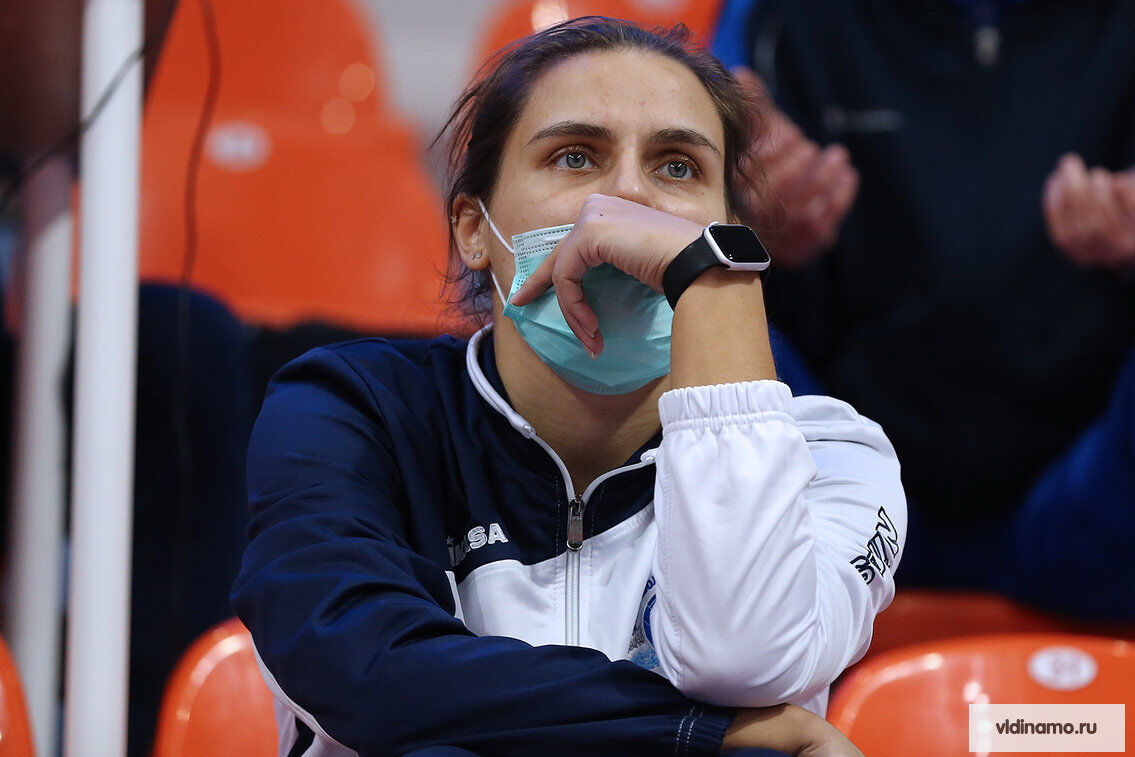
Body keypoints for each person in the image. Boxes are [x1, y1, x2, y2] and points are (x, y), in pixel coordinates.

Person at [232, 18, 906, 756]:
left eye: (678, 167)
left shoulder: (831, 456)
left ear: (729, 232)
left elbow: (741, 658)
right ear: (472, 229)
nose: (629, 196)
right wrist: (699, 732)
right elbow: (363, 670)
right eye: (575, 156)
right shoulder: (349, 411)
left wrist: (713, 288)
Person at [713, 0, 1135, 619]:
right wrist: (742, 228)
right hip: (837, 483)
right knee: (685, 269)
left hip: (1096, 495)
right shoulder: (774, 21)